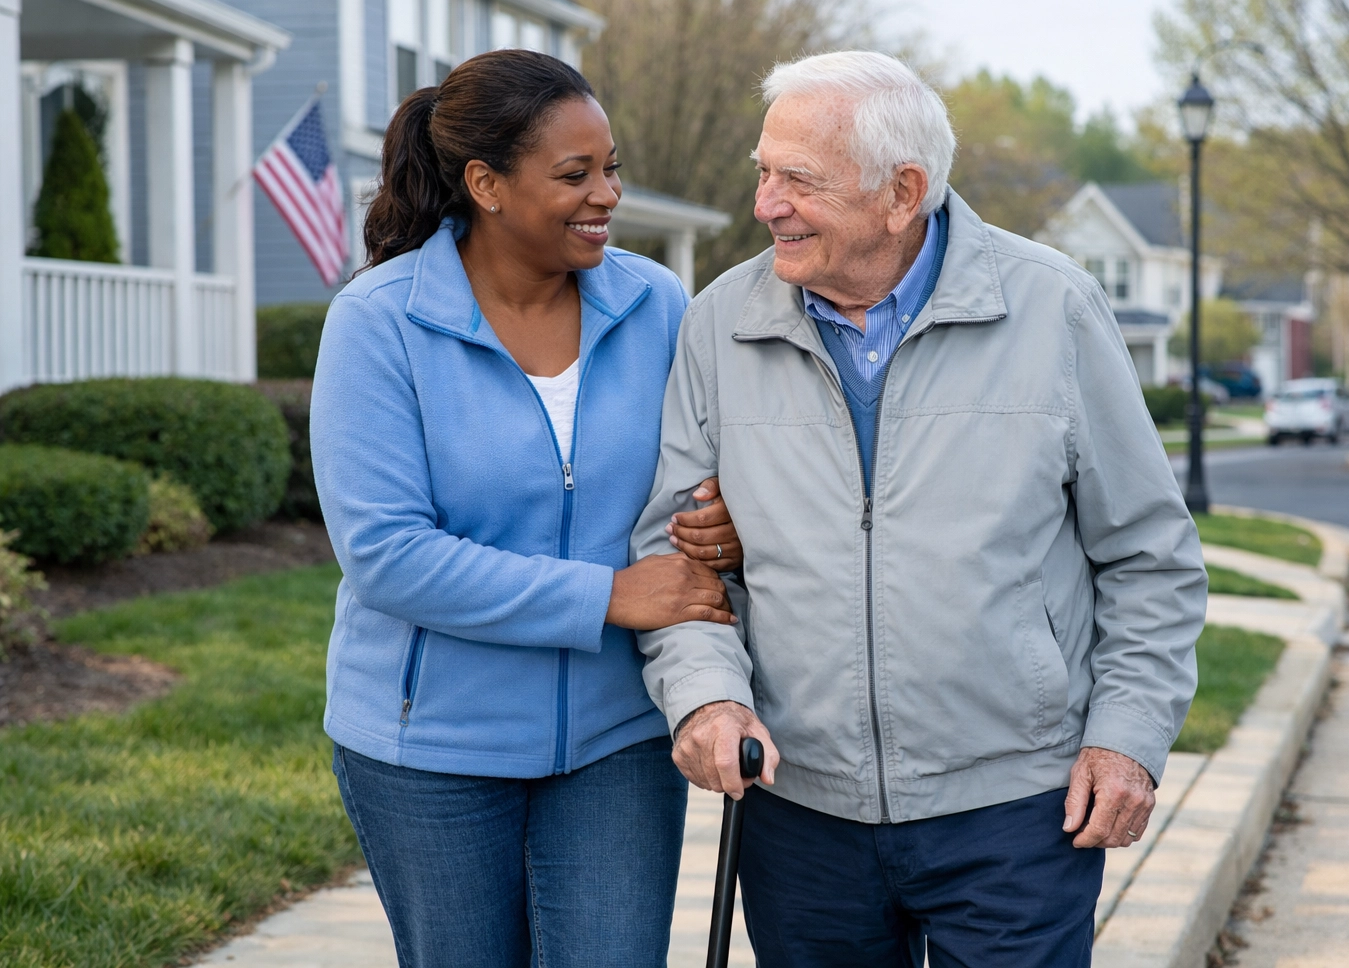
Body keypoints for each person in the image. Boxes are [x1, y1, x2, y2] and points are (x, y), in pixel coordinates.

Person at [633, 50, 1208, 967]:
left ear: (903, 192)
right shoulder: (719, 325)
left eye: (799, 180)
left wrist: (1127, 742)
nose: (765, 204)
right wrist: (705, 700)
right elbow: (679, 567)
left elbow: (1148, 557)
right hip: (798, 813)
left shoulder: (1051, 309)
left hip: (1019, 811)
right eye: (763, 172)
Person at [310, 49, 743, 968]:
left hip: (615, 739)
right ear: (487, 184)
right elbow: (387, 553)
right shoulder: (378, 321)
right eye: (575, 175)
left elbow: (700, 478)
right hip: (429, 749)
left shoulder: (658, 304)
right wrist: (607, 595)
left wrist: (725, 524)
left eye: (612, 167)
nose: (608, 195)